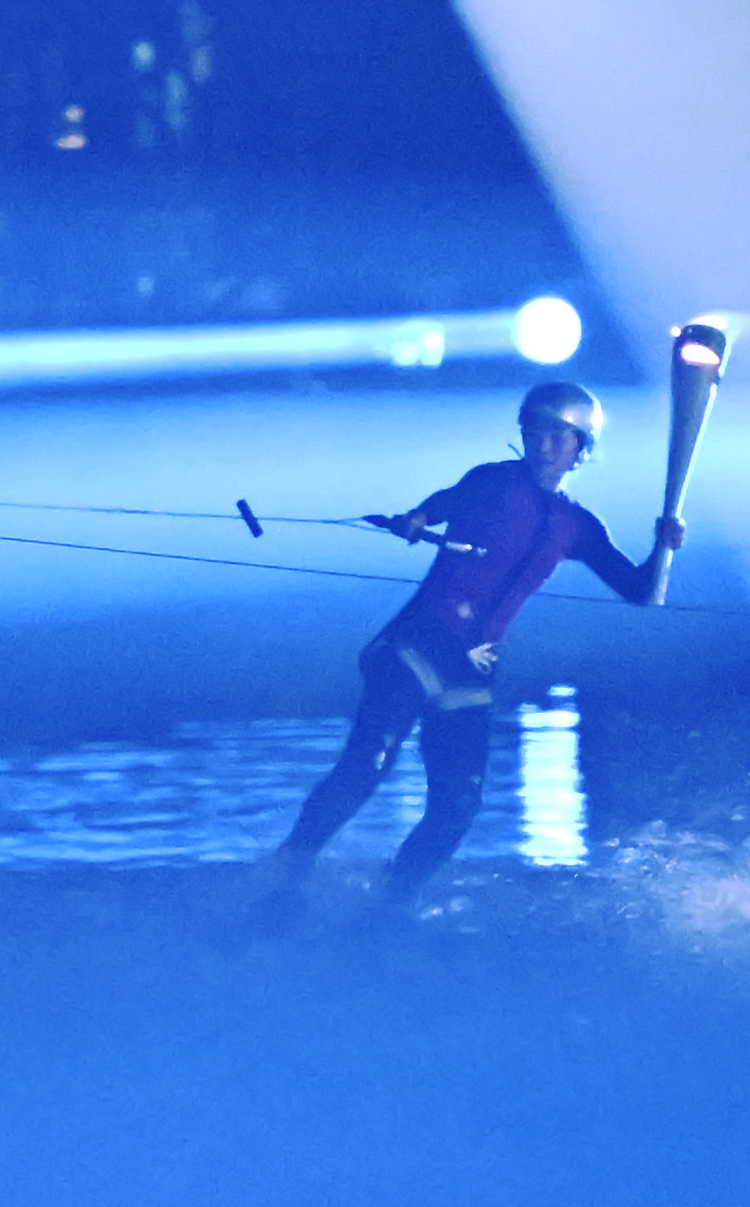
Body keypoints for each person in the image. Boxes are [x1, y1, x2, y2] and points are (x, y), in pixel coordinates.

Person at [252, 378, 675, 908]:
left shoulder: (578, 526)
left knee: (458, 806)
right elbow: (448, 501)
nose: (543, 444)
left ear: (581, 446)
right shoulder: (496, 479)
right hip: (416, 643)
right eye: (534, 431)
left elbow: (640, 592)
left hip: (472, 668)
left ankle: (391, 901)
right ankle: (290, 864)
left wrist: (664, 547)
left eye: (558, 435)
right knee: (371, 761)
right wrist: (419, 518)